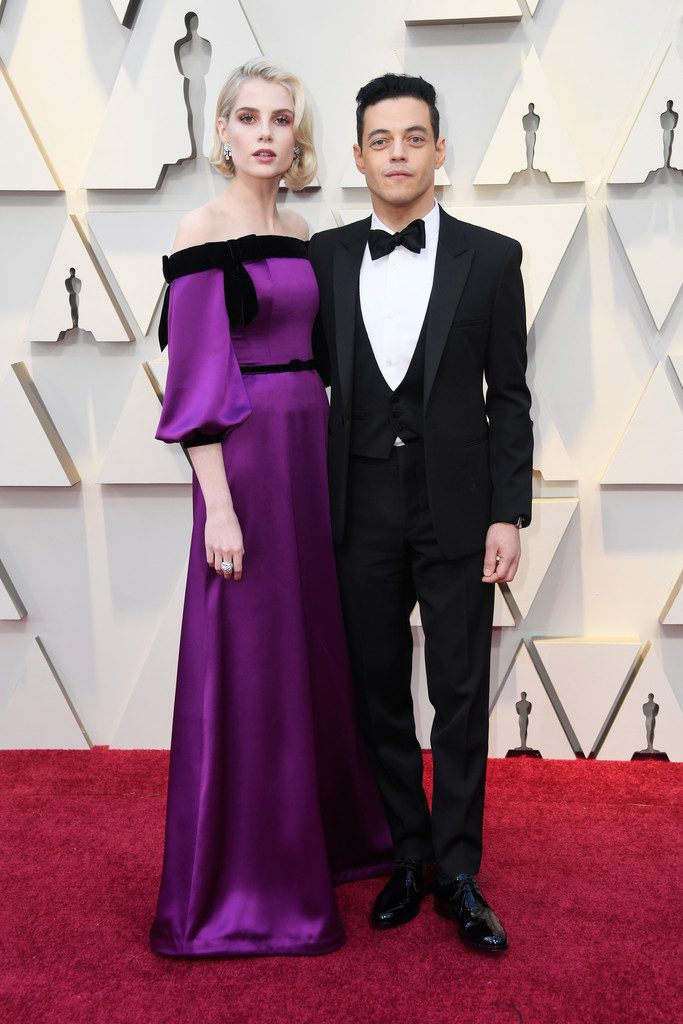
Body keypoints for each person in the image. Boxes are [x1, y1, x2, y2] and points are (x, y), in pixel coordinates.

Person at [150, 58, 392, 958]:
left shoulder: (299, 231)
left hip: (306, 458)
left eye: (280, 119)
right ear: (222, 132)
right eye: (247, 117)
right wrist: (217, 509)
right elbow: (194, 383)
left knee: (308, 649)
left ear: (298, 139)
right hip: (243, 465)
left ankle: (317, 840)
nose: (263, 132)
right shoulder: (199, 228)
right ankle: (246, 882)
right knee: (249, 661)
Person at [308, 74, 533, 953]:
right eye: (380, 139)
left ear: (440, 149)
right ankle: (407, 852)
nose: (396, 153)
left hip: (460, 510)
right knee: (377, 690)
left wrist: (508, 513)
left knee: (460, 693)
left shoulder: (494, 257)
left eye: (413, 138)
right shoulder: (324, 257)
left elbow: (508, 396)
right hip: (357, 504)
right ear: (356, 156)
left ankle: (460, 871)